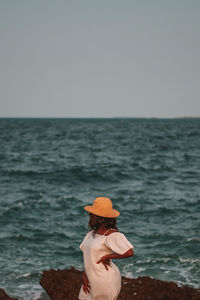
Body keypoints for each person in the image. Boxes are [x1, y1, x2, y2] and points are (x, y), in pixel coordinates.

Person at [79, 197, 134, 300]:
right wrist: (85, 276)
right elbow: (88, 257)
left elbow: (129, 252)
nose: (90, 216)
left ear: (100, 218)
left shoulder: (111, 235)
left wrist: (108, 256)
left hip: (105, 280)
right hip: (91, 279)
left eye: (92, 215)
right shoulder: (91, 234)